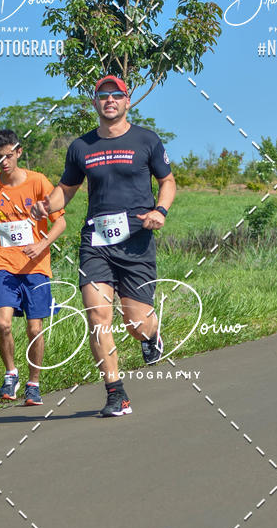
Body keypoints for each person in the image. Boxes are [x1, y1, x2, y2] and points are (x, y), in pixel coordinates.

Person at [32, 75, 176, 416]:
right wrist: (46, 205)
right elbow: (66, 189)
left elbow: (167, 181)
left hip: (136, 241)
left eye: (116, 95)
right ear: (94, 103)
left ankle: (151, 335)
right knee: (98, 317)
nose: (109, 100)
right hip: (95, 242)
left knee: (136, 323)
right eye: (102, 95)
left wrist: (160, 210)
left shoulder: (147, 140)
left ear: (127, 101)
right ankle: (116, 393)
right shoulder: (82, 147)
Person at [0, 129, 66, 404]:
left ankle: (34, 383)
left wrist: (42, 245)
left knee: (34, 329)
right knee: (3, 324)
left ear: (18, 152)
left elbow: (60, 222)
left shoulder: (38, 182)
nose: (3, 162)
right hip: (3, 265)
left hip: (36, 267)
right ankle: (11, 373)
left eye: (7, 156)